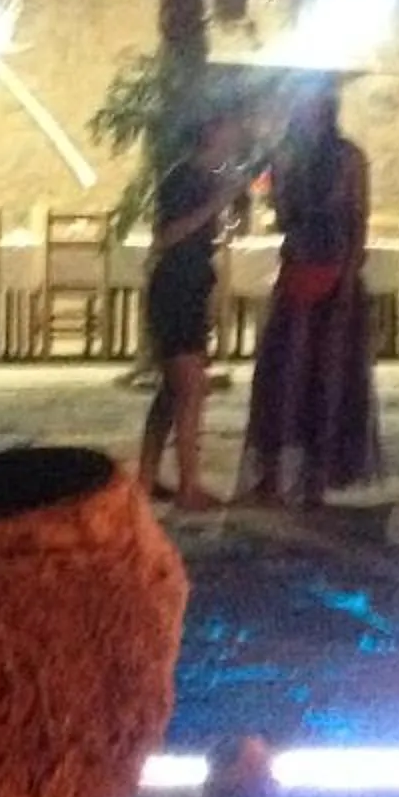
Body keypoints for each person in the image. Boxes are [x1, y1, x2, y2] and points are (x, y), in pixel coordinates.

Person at [239, 81, 382, 506]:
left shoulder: (349, 157)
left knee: (329, 378)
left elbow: (359, 221)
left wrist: (348, 278)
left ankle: (317, 477)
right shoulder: (286, 156)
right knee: (285, 375)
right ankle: (274, 474)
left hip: (335, 273)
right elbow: (282, 217)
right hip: (299, 269)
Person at [136, 107, 246, 510]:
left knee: (173, 391)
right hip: (176, 290)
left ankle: (146, 479)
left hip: (189, 287)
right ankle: (188, 487)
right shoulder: (185, 179)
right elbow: (167, 234)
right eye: (232, 125)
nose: (238, 133)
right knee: (191, 391)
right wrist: (215, 204)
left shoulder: (203, 177)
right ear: (213, 129)